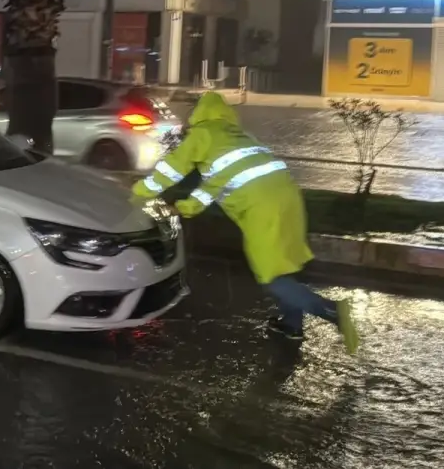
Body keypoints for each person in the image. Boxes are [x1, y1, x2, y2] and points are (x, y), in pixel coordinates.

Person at [132, 91, 360, 355]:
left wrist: (137, 193)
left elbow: (169, 170)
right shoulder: (239, 137)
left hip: (263, 208)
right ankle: (291, 326)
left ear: (200, 114)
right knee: (283, 266)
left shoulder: (204, 134)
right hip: (290, 200)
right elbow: (217, 183)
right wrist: (186, 208)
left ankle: (334, 312)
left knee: (271, 276)